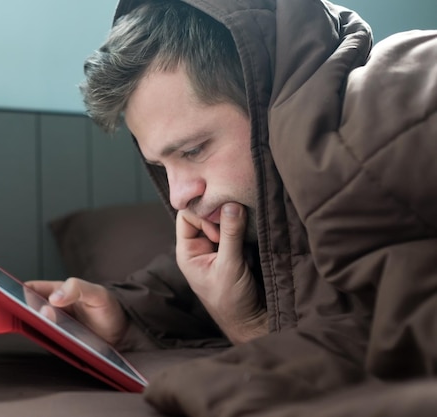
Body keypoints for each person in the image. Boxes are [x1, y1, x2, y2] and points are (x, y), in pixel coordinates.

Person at [28, 0, 437, 415]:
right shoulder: (258, 210)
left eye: (192, 150)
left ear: (263, 96)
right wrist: (124, 315)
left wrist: (246, 327)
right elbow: (226, 269)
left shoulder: (385, 118)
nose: (177, 195)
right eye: (160, 167)